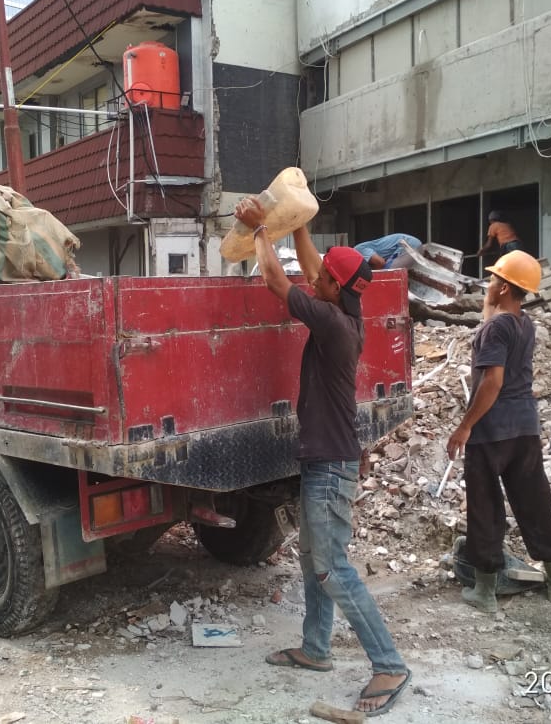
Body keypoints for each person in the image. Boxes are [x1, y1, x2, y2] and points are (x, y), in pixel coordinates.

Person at [234, 197, 411, 718]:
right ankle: (316, 650)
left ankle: (389, 662)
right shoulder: (346, 305)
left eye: (322, 282)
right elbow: (315, 270)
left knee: (332, 568)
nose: (314, 283)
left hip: (332, 467)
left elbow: (277, 280)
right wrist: (301, 223)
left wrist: (261, 230)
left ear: (335, 289)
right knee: (314, 562)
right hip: (326, 460)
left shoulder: (332, 325)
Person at [446, 250, 551, 614]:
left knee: (485, 507)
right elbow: (492, 327)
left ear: (504, 286)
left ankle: (485, 591)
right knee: (534, 501)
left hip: (491, 431)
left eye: (492, 280)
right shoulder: (524, 324)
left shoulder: (495, 328)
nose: (487, 283)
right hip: (524, 427)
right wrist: (490, 305)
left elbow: (492, 381)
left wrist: (464, 426)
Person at [353, 233, 421, 269]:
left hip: (406, 244)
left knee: (387, 274)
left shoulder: (357, 250)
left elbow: (380, 262)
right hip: (415, 244)